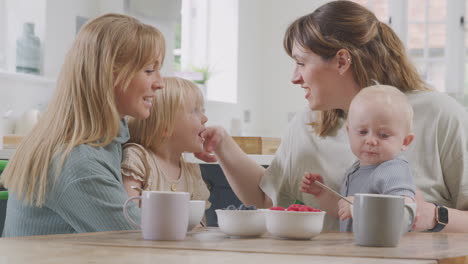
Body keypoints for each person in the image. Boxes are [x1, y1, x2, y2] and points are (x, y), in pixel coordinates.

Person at [197, 0, 468, 232]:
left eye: (301, 63)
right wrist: (222, 144)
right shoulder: (306, 125)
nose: (294, 77)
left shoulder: (440, 114)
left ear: (341, 61)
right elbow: (268, 201)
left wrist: (434, 216)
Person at [1, 13, 165, 237]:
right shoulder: (79, 163)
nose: (160, 83)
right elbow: (142, 241)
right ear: (110, 75)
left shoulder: (100, 141)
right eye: (149, 70)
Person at [300, 85, 416, 232]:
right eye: (362, 132)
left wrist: (360, 206)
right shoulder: (355, 170)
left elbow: (404, 214)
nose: (371, 141)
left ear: (405, 141)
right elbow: (343, 212)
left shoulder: (394, 169)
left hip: (383, 251)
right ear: (349, 132)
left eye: (383, 135)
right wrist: (321, 193)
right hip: (356, 250)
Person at [121, 77, 211, 210]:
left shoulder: (192, 171)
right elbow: (130, 215)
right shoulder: (138, 160)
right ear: (165, 127)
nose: (205, 118)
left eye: (202, 111)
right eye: (195, 111)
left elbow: (198, 225)